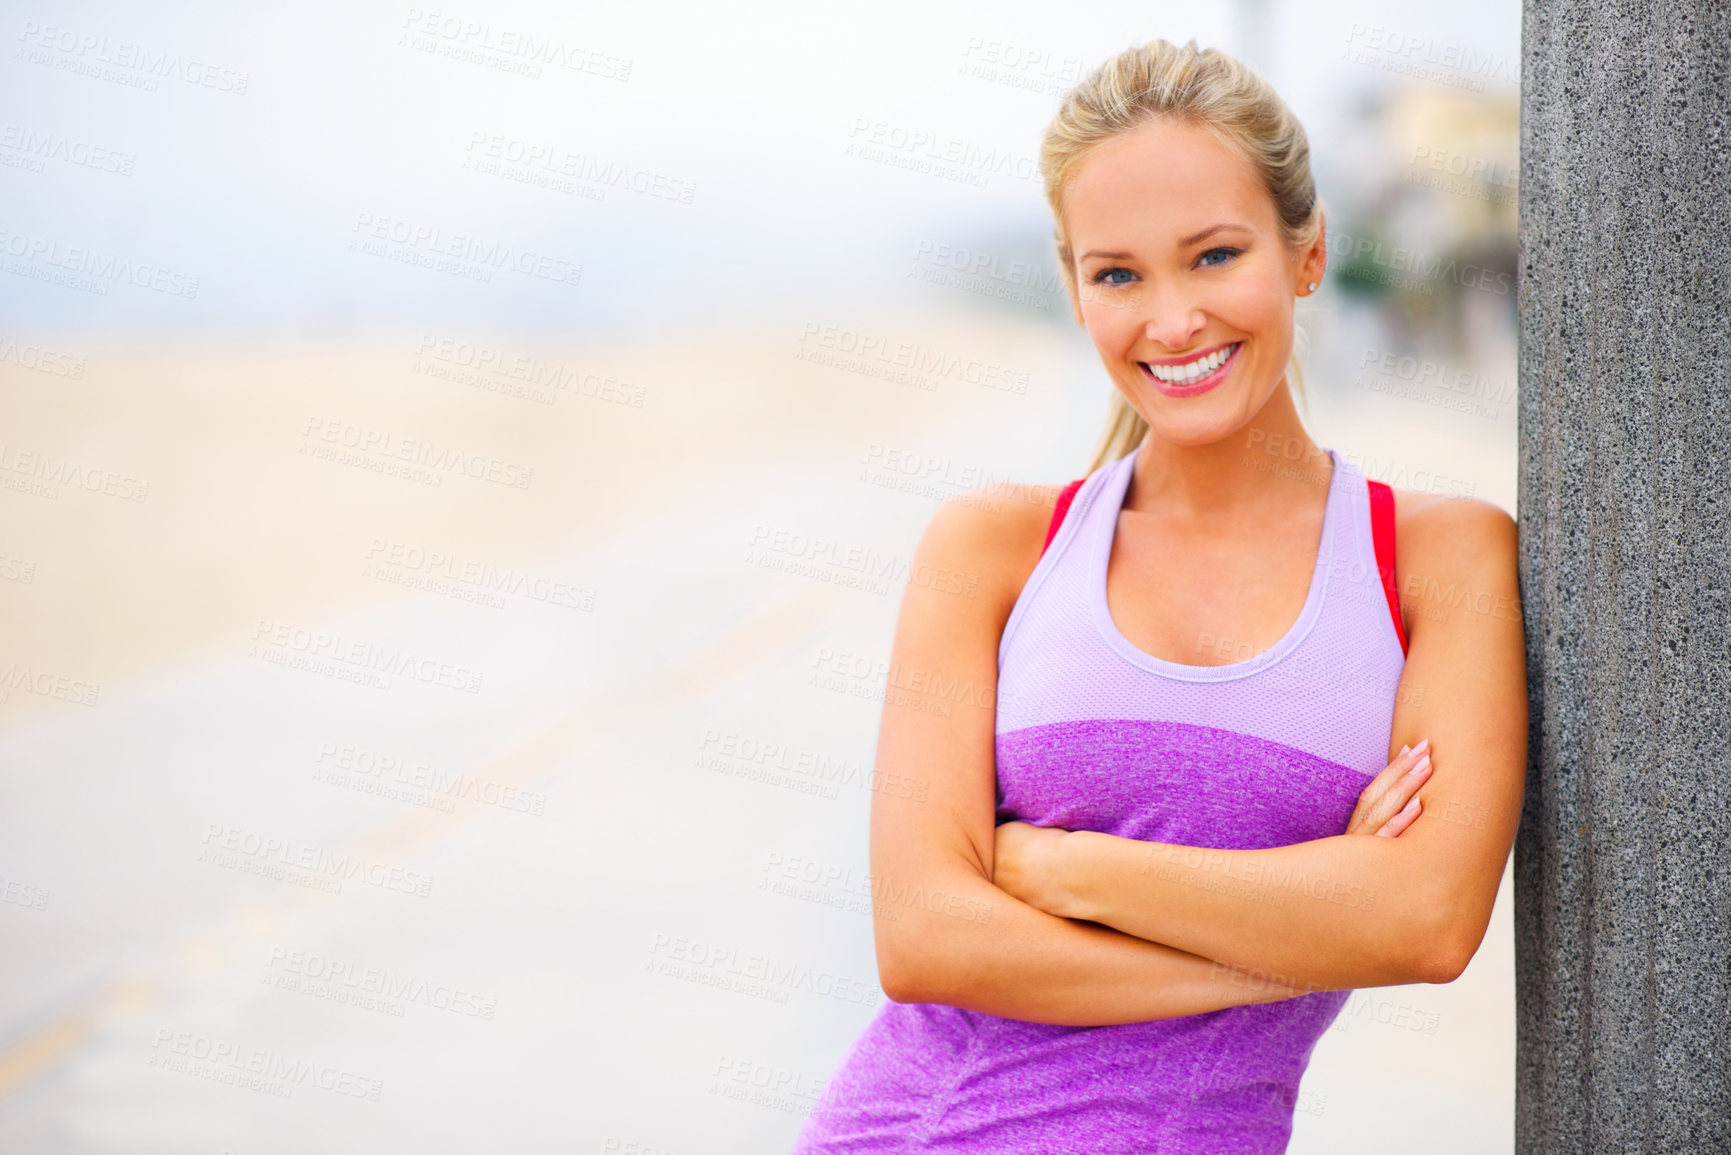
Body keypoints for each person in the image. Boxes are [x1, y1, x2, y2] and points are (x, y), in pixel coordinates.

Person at [789, 36, 1526, 1153]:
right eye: (1118, 274)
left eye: (1215, 256)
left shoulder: (1435, 561)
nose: (1171, 322)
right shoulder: (993, 549)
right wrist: (1315, 922)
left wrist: (1067, 869)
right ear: (1076, 293)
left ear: (1308, 252)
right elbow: (929, 942)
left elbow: (1424, 923)